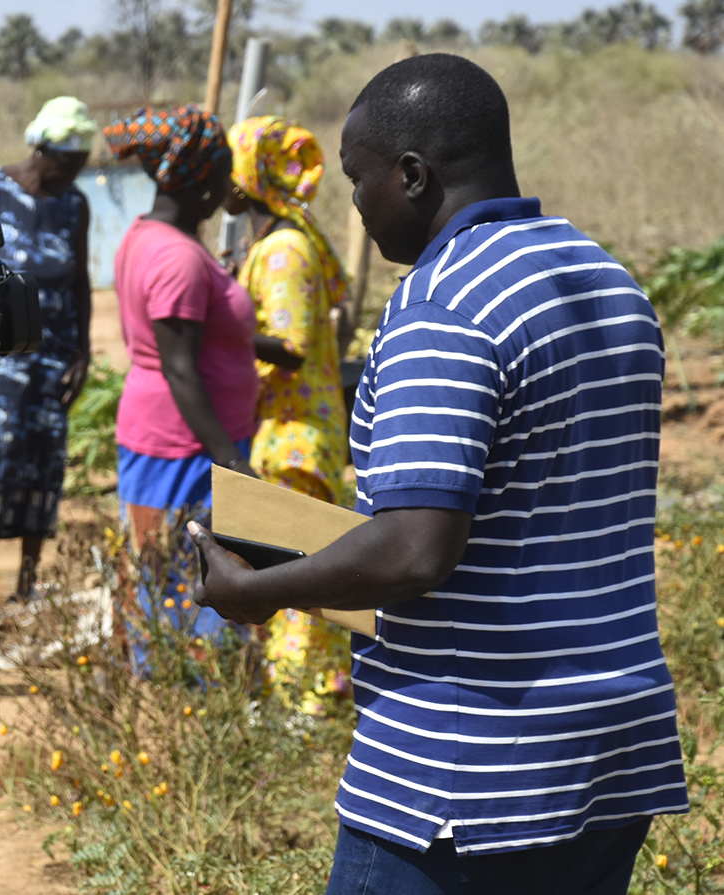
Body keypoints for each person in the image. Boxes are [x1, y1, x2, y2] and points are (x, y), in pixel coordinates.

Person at [196, 54, 688, 893]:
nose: (352, 201)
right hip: (613, 745)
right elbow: (534, 510)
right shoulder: (604, 281)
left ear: (412, 175)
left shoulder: (444, 304)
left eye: (357, 178)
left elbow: (417, 551)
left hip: (465, 767)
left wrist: (258, 590)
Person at [103, 105, 256, 646]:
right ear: (205, 179)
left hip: (170, 438)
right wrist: (233, 463)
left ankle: (173, 686)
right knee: (186, 571)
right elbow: (180, 368)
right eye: (224, 170)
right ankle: (190, 690)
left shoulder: (148, 237)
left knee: (161, 566)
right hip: (185, 445)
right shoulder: (178, 259)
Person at [221, 115, 352, 714]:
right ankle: (305, 691)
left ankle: (308, 702)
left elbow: (291, 345)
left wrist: (218, 325)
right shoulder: (273, 243)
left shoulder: (284, 252)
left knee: (300, 576)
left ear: (248, 176)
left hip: (296, 434)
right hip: (285, 430)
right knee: (295, 569)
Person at [0, 96, 94, 598]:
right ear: (42, 151)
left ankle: (27, 585)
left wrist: (82, 353)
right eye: (66, 164)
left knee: (44, 461)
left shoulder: (74, 203)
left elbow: (79, 281)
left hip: (54, 356)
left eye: (79, 166)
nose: (72, 175)